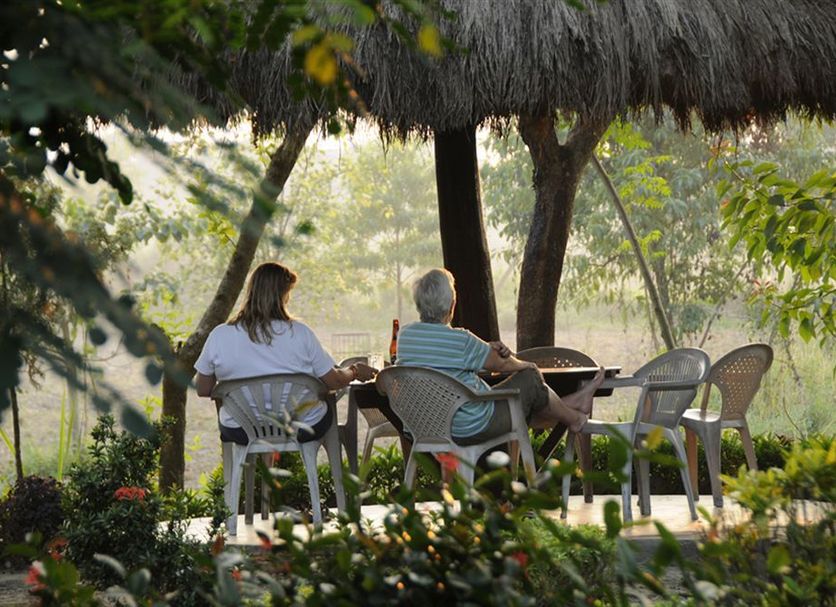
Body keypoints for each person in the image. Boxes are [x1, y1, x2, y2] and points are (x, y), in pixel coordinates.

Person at [396, 268, 604, 445]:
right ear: (452, 304)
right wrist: (523, 362)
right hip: (469, 428)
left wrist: (484, 350)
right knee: (530, 377)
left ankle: (574, 404)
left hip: (422, 429)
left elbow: (444, 356)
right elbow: (504, 366)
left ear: (419, 304)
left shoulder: (404, 337)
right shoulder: (461, 340)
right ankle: (575, 416)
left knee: (518, 408)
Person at [194, 262, 376, 446]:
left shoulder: (220, 335)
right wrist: (354, 370)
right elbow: (334, 381)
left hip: (240, 428)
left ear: (251, 291)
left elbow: (203, 389)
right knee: (325, 404)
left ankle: (255, 470)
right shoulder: (300, 333)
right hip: (301, 427)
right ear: (282, 295)